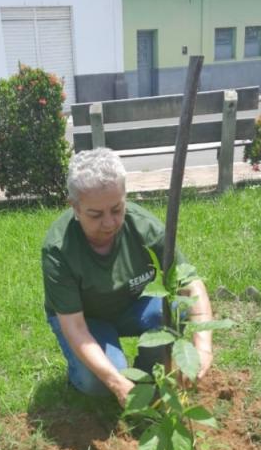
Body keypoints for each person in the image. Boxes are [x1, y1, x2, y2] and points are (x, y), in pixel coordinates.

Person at [41, 148, 214, 406]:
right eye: (96, 215)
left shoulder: (143, 227)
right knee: (97, 382)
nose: (109, 223)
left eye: (117, 209)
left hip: (133, 306)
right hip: (85, 319)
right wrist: (114, 381)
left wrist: (203, 347)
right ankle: (89, 373)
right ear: (75, 207)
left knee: (175, 306)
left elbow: (191, 284)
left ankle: (146, 375)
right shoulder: (59, 249)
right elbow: (74, 326)